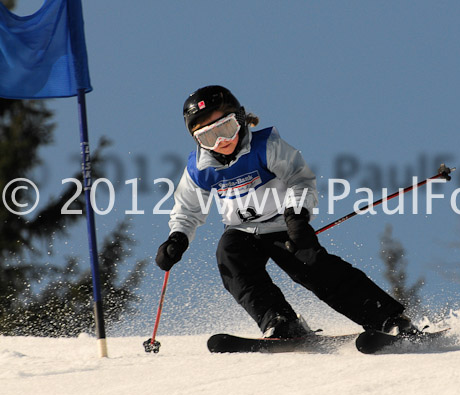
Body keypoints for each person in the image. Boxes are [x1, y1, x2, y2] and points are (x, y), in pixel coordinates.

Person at [155, 85, 421, 338]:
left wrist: (297, 216)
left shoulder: (265, 147)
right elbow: (188, 209)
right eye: (209, 136)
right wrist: (177, 238)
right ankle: (280, 322)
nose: (222, 141)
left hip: (284, 223)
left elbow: (300, 179)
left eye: (226, 127)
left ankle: (386, 319)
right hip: (242, 230)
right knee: (230, 256)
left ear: (240, 119)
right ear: (197, 140)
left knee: (312, 266)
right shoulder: (200, 168)